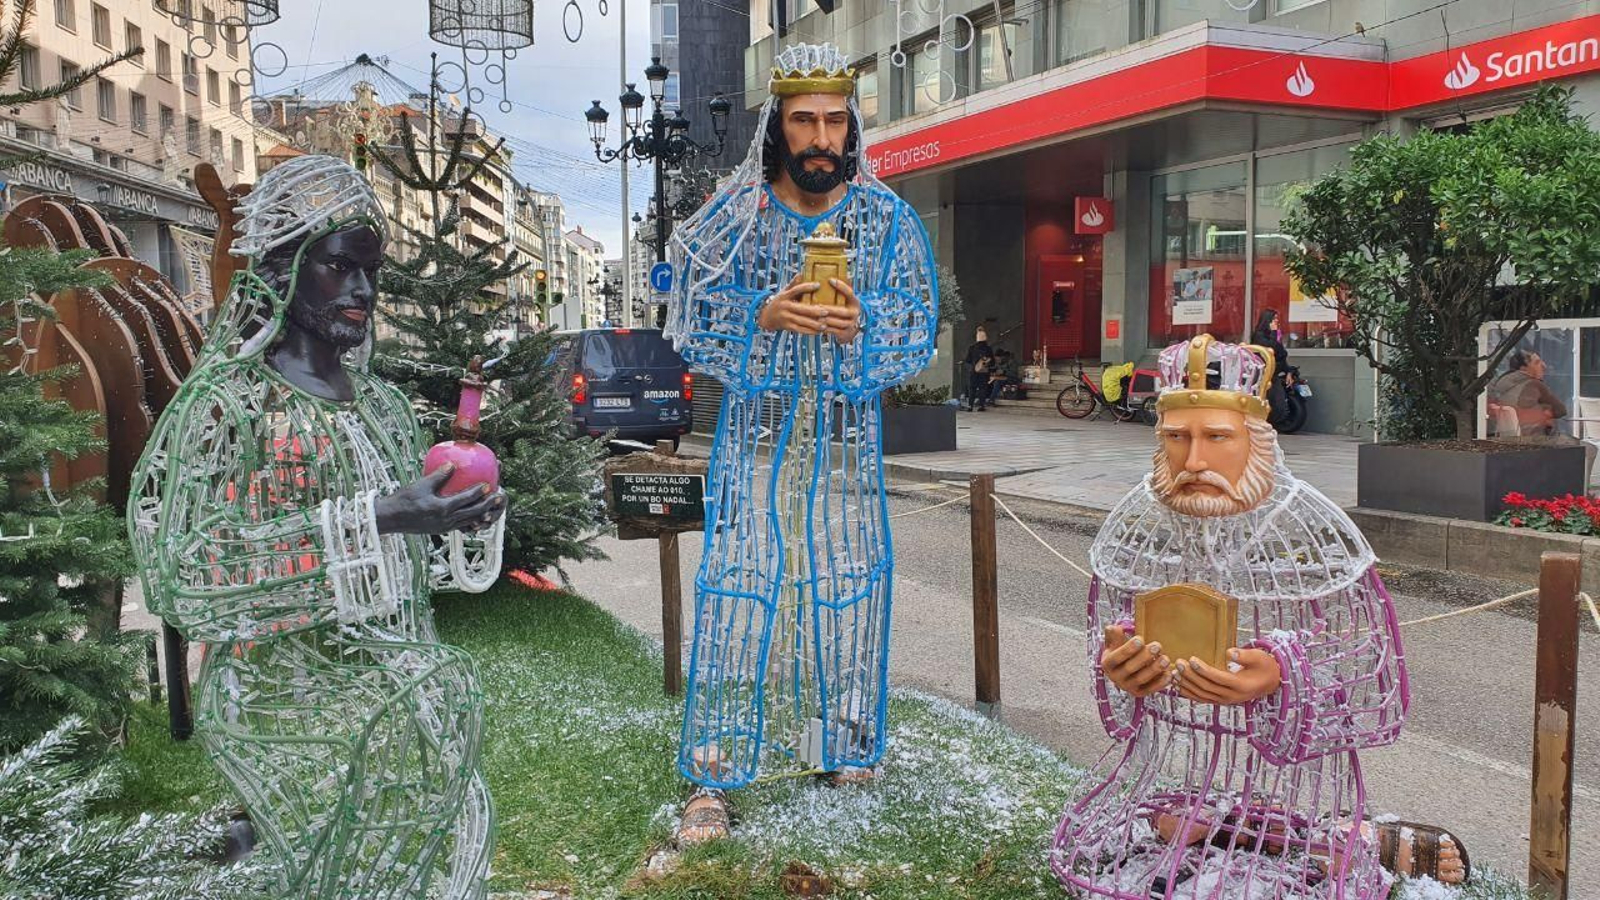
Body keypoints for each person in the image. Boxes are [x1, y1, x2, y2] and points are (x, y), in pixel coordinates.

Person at [128, 156, 507, 899]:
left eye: (372, 272)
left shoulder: (382, 405)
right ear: (285, 269)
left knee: (447, 775)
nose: (363, 291)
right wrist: (373, 518)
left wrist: (462, 519)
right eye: (339, 267)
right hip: (279, 689)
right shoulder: (229, 404)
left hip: (395, 669)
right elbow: (183, 575)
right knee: (414, 736)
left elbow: (412, 572)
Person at [1051, 334, 1468, 898]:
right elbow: (1108, 641)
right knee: (1144, 833)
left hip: (1296, 770)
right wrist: (1123, 664)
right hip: (1175, 752)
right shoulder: (1131, 529)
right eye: (1177, 437)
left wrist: (1281, 671)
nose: (1193, 461)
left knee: (1285, 869)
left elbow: (1376, 678)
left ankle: (1327, 832)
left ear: (1256, 438)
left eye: (1217, 437)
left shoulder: (1315, 531)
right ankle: (1247, 828)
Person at [664, 42, 938, 844]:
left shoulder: (886, 220)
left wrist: (864, 324)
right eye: (803, 120)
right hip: (755, 448)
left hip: (846, 452)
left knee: (845, 586)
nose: (820, 137)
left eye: (833, 121)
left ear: (851, 127)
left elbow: (916, 324)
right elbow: (688, 311)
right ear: (777, 128)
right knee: (739, 590)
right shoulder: (736, 215)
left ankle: (834, 746)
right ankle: (715, 771)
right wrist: (762, 314)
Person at [1490, 349, 1566, 435]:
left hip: (1506, 436)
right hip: (1531, 437)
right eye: (1537, 363)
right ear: (1523, 368)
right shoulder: (1534, 384)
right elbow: (1561, 410)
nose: (1544, 365)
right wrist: (1545, 412)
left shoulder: (1500, 383)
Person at [1252, 308, 1291, 422]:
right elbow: (1271, 349)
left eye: (1277, 318)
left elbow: (1281, 354)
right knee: (1269, 401)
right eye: (1274, 319)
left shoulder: (1276, 335)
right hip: (1264, 375)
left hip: (1274, 373)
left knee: (1279, 403)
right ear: (1267, 320)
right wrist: (1274, 333)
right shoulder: (1259, 336)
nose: (1276, 321)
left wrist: (1288, 371)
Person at [964, 326, 994, 411]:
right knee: (982, 388)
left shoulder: (972, 348)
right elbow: (992, 362)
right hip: (984, 372)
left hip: (974, 371)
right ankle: (981, 405)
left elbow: (968, 360)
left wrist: (974, 364)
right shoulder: (988, 349)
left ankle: (970, 406)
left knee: (972, 388)